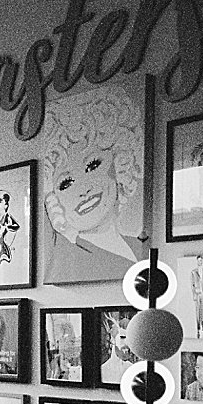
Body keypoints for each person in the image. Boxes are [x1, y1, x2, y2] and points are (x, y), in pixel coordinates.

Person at [42, 85, 147, 284]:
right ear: (54, 199)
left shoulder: (138, 248)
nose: (84, 189)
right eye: (66, 183)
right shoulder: (66, 263)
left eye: (93, 165)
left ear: (120, 162)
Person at [0, 190, 20, 265]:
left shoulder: (6, 217)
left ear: (6, 206)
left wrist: (6, 227)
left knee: (1, 260)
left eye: (0, 202)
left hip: (1, 245)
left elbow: (16, 226)